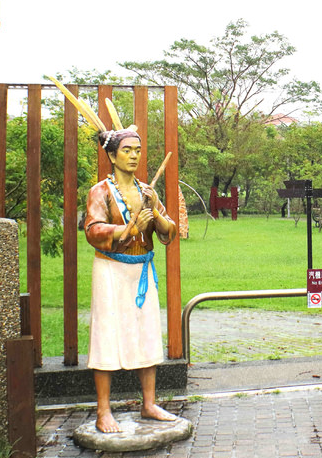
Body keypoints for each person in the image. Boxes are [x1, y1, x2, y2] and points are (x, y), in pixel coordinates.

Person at [84, 127, 177, 433]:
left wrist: (155, 216)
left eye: (137, 149)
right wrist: (129, 228)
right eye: (126, 150)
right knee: (106, 334)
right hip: (111, 270)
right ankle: (103, 411)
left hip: (142, 270)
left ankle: (149, 403)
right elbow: (93, 230)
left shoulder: (147, 191)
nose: (134, 155)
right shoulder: (100, 192)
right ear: (111, 155)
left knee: (148, 331)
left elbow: (168, 230)